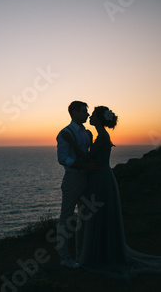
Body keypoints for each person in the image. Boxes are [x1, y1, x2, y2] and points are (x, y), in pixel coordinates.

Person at [75, 106, 161, 280]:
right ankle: (102, 249)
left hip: (100, 179)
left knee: (96, 214)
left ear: (100, 120)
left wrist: (73, 144)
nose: (90, 117)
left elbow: (88, 157)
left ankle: (98, 254)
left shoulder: (101, 137)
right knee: (99, 214)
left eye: (93, 115)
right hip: (102, 177)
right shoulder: (103, 136)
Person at [56, 101, 99, 269]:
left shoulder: (86, 133)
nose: (87, 114)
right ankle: (64, 257)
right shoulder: (64, 133)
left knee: (87, 215)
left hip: (86, 178)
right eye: (84, 111)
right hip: (73, 179)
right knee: (66, 218)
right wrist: (84, 166)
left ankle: (84, 251)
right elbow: (62, 158)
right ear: (74, 112)